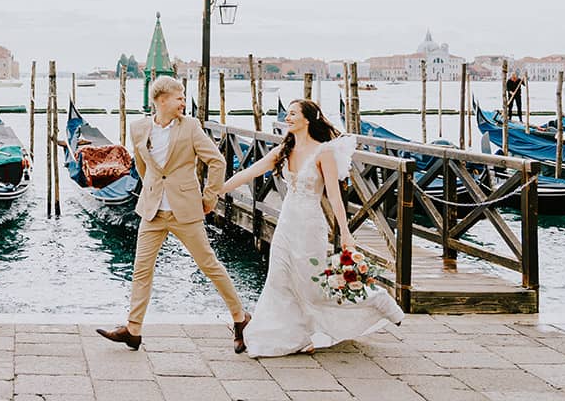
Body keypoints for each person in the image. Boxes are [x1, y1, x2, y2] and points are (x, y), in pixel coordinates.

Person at [221, 99, 404, 357]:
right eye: (288, 114)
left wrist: (346, 233)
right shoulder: (283, 150)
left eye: (293, 114)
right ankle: (291, 336)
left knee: (313, 288)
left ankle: (377, 300)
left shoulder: (323, 153)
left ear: (307, 119)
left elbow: (335, 197)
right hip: (286, 223)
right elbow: (251, 171)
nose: (288, 117)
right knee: (279, 281)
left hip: (310, 226)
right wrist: (217, 189)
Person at [97, 76, 251, 352]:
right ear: (161, 99)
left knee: (209, 266)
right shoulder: (138, 127)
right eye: (179, 98)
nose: (183, 103)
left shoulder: (190, 127)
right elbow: (142, 165)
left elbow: (217, 161)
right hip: (152, 210)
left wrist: (209, 197)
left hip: (185, 209)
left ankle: (240, 318)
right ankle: (133, 329)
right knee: (141, 270)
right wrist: (153, 188)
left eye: (183, 98)